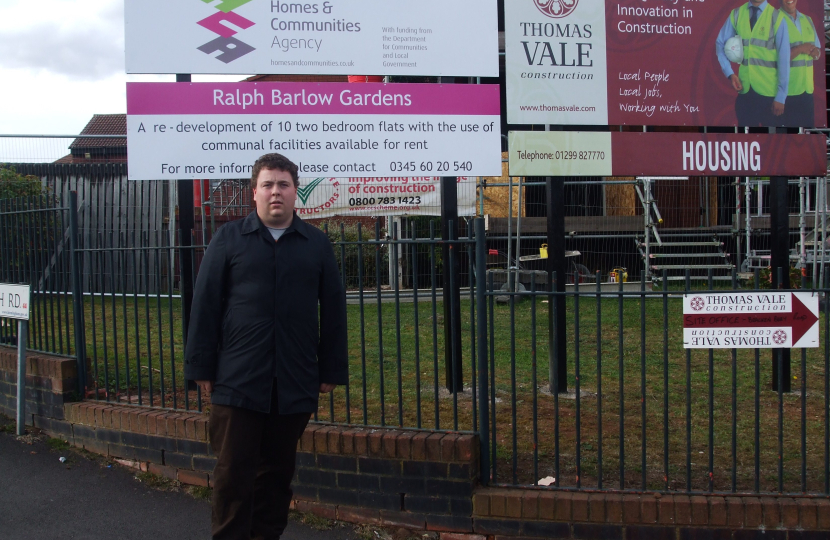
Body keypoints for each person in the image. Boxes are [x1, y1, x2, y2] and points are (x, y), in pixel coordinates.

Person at [184, 152, 348, 540]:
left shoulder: (316, 244)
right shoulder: (228, 238)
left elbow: (334, 309)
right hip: (237, 379)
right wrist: (201, 367)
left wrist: (330, 368)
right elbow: (205, 303)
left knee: (276, 476)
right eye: (268, 184)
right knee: (232, 474)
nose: (276, 191)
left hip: (293, 381)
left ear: (296, 192)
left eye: (284, 185)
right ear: (254, 192)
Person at [715, 0, 791, 127]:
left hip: (770, 95)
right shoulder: (737, 14)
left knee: (771, 139)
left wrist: (781, 96)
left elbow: (784, 60)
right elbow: (720, 44)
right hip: (745, 93)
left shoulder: (777, 17)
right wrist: (730, 73)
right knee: (745, 138)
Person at [779, 0, 821, 127]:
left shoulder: (807, 20)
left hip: (807, 90)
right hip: (786, 92)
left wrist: (816, 53)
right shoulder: (775, 20)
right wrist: (801, 49)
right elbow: (773, 58)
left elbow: (817, 50)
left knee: (807, 134)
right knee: (787, 136)